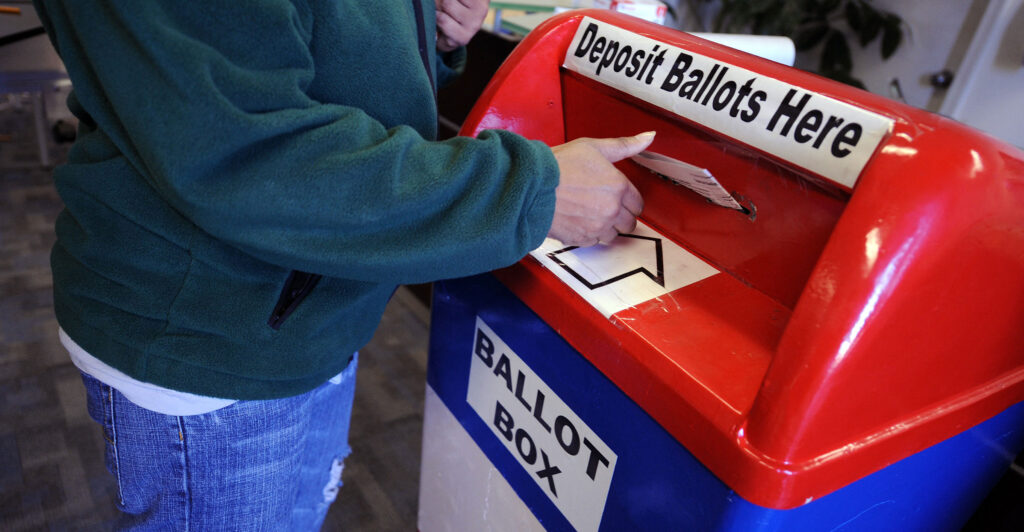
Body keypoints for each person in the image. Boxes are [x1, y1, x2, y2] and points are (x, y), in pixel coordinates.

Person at [33, 0, 653, 529]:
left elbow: (311, 54)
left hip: (309, 308)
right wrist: (525, 193)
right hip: (209, 341)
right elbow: (244, 151)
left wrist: (429, 36)